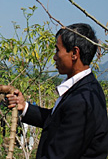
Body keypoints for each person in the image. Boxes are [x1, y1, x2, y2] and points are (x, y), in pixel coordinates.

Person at [6, 23, 108, 158]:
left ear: (74, 53)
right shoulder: (86, 88)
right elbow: (57, 122)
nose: (54, 57)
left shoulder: (81, 101)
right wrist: (24, 107)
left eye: (57, 50)